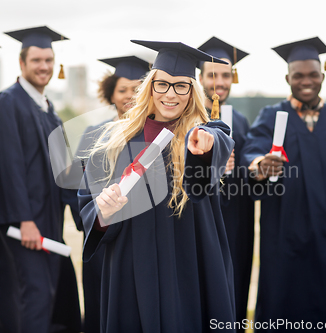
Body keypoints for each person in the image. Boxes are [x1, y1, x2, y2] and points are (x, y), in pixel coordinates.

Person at [79, 40, 236, 332]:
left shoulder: (201, 133)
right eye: (162, 84)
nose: (170, 94)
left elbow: (220, 140)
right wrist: (103, 211)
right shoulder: (114, 141)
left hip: (188, 264)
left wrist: (204, 146)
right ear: (150, 86)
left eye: (181, 86)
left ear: (193, 91)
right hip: (131, 266)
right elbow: (88, 206)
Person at [240, 37, 326, 331]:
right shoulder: (272, 116)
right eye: (298, 76)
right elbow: (251, 151)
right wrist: (259, 165)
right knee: (284, 296)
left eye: (313, 75)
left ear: (322, 75)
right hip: (283, 230)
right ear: (287, 78)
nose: (306, 81)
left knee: (325, 297)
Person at [0, 26, 81, 333]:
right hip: (23, 226)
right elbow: (8, 166)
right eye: (37, 59)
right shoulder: (7, 102)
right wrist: (23, 220)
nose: (44, 66)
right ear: (22, 62)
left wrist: (89, 216)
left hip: (48, 221)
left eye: (49, 60)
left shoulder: (49, 110)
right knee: (33, 295)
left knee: (47, 295)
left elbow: (64, 171)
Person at [78, 55, 150, 333]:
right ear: (111, 94)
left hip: (141, 237)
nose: (129, 96)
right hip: (102, 239)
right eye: (122, 90)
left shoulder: (154, 136)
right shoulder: (94, 134)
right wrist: (95, 223)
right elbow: (79, 191)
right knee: (101, 309)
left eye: (136, 89)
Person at [198, 36, 253, 327]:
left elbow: (251, 178)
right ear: (200, 77)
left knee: (236, 290)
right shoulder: (188, 118)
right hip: (200, 220)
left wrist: (246, 169)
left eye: (225, 75)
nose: (219, 82)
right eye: (212, 75)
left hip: (236, 222)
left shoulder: (242, 122)